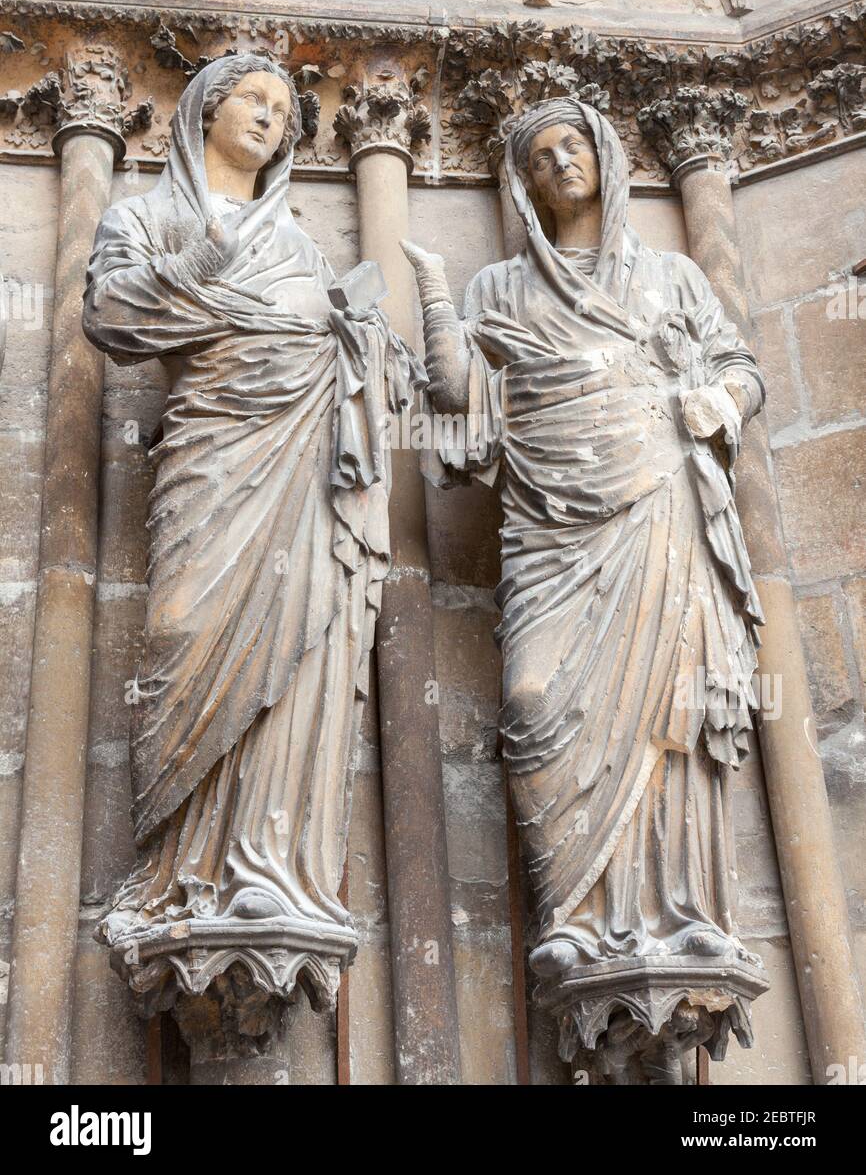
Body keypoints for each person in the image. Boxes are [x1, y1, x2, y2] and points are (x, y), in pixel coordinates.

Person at [402, 98, 768, 1082]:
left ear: (604, 157)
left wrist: (716, 397)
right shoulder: (498, 287)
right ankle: (571, 919)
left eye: (572, 145)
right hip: (548, 528)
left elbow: (739, 362)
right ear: (519, 182)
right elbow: (457, 400)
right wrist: (435, 296)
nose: (558, 162)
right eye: (537, 155)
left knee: (667, 713)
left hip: (656, 508)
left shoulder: (670, 276)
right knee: (530, 700)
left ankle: (676, 915)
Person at [84, 53, 420, 1021]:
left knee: (299, 653)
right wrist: (202, 262)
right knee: (185, 624)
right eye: (254, 99)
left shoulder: (302, 245)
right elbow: (109, 309)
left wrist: (373, 344)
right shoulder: (145, 216)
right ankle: (183, 876)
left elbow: (352, 348)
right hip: (212, 461)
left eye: (283, 108)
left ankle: (269, 861)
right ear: (203, 109)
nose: (271, 116)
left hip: (304, 472)